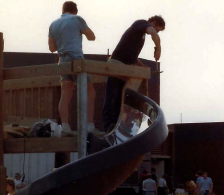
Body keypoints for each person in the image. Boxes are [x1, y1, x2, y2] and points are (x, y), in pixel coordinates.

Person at [102, 15, 165, 133]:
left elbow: (132, 54)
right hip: (116, 64)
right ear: (154, 23)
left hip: (125, 68)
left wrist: (140, 64)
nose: (156, 33)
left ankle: (114, 126)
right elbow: (152, 33)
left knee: (120, 98)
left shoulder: (140, 35)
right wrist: (158, 48)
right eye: (157, 30)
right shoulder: (141, 24)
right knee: (112, 96)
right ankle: (108, 126)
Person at [48, 1, 101, 135]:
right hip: (76, 59)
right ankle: (89, 126)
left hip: (62, 60)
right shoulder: (77, 19)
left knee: (66, 94)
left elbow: (52, 48)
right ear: (75, 10)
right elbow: (92, 37)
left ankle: (65, 127)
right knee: (90, 92)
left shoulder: (53, 24)